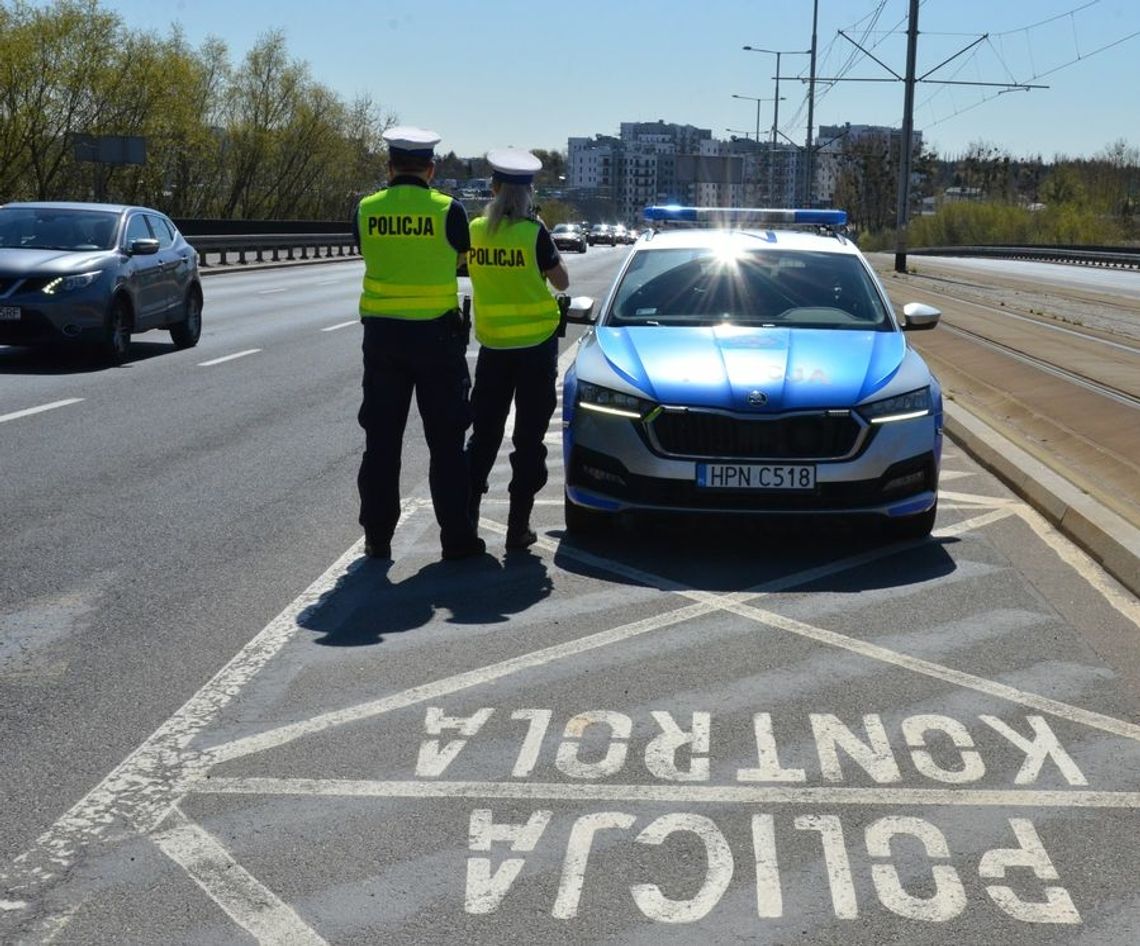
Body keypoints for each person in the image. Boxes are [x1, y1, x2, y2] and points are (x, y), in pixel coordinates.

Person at [354, 126, 485, 561]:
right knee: (446, 442)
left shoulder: (366, 209)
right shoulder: (449, 210)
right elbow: (462, 261)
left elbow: (365, 251)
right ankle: (457, 538)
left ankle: (377, 538)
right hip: (436, 340)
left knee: (382, 442)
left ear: (389, 167)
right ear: (430, 169)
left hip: (383, 339)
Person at [465, 149, 570, 550]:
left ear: (493, 189)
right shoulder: (534, 233)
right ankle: (517, 529)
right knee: (529, 440)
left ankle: (466, 523)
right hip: (535, 352)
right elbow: (561, 282)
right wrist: (540, 229)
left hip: (493, 348)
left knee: (484, 436)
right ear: (529, 193)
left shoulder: (475, 230)